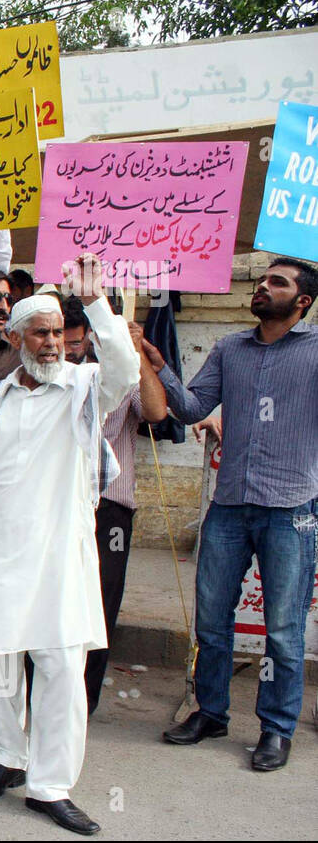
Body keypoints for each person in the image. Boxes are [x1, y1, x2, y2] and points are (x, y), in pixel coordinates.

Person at [0, 254, 139, 836]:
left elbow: (127, 373)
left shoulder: (86, 388)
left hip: (61, 553)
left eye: (58, 331)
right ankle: (5, 759)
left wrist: (95, 303)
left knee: (61, 665)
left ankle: (51, 786)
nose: (52, 341)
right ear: (14, 337)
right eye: (39, 331)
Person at [152, 258, 318, 772]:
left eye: (278, 283)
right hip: (227, 509)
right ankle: (212, 713)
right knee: (212, 621)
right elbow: (190, 408)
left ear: (303, 302)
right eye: (263, 279)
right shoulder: (229, 349)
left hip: (290, 511)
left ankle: (276, 729)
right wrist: (157, 365)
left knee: (284, 630)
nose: (263, 287)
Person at [61, 300, 169, 713]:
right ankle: (44, 694)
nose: (69, 347)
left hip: (109, 508)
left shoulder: (117, 375)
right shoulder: (52, 376)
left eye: (76, 339)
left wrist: (136, 351)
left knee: (99, 605)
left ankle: (82, 702)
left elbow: (157, 411)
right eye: (63, 339)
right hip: (59, 502)